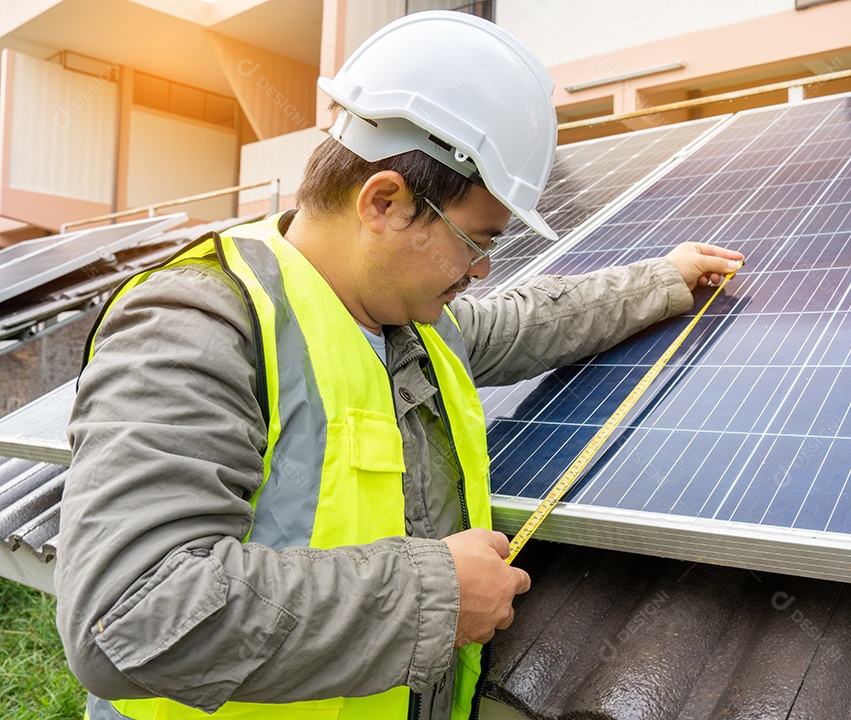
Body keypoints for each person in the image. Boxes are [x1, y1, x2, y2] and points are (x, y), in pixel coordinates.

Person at [55, 11, 743, 720]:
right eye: (475, 241)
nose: (481, 270)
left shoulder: (412, 320)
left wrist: (663, 278)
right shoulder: (198, 326)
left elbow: (531, 318)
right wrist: (436, 596)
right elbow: (129, 617)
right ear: (384, 202)